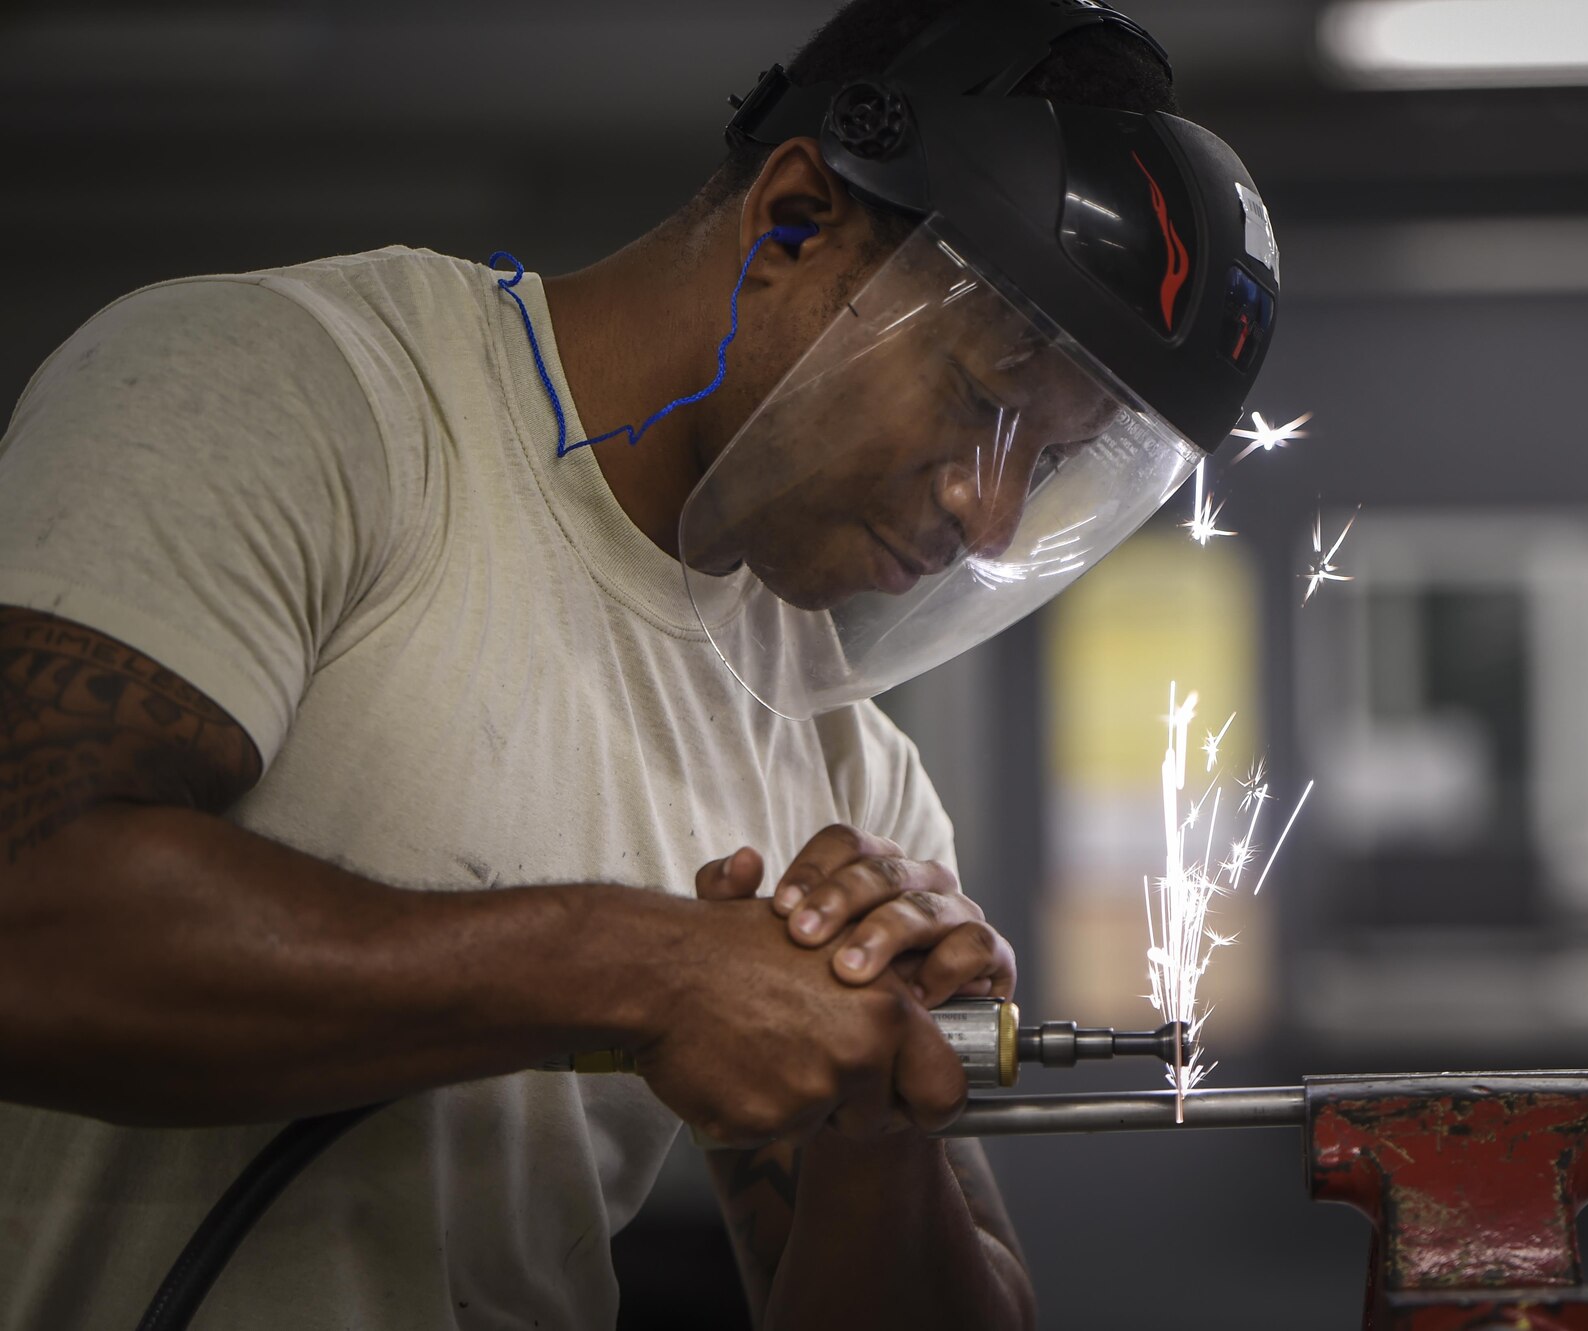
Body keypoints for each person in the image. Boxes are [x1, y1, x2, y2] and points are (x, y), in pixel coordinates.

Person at [0, 0, 1279, 1327]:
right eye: (982, 403)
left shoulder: (844, 774)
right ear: (793, 220)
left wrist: (876, 1119)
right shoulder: (298, 396)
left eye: (1048, 459)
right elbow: (25, 918)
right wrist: (646, 969)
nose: (989, 514)